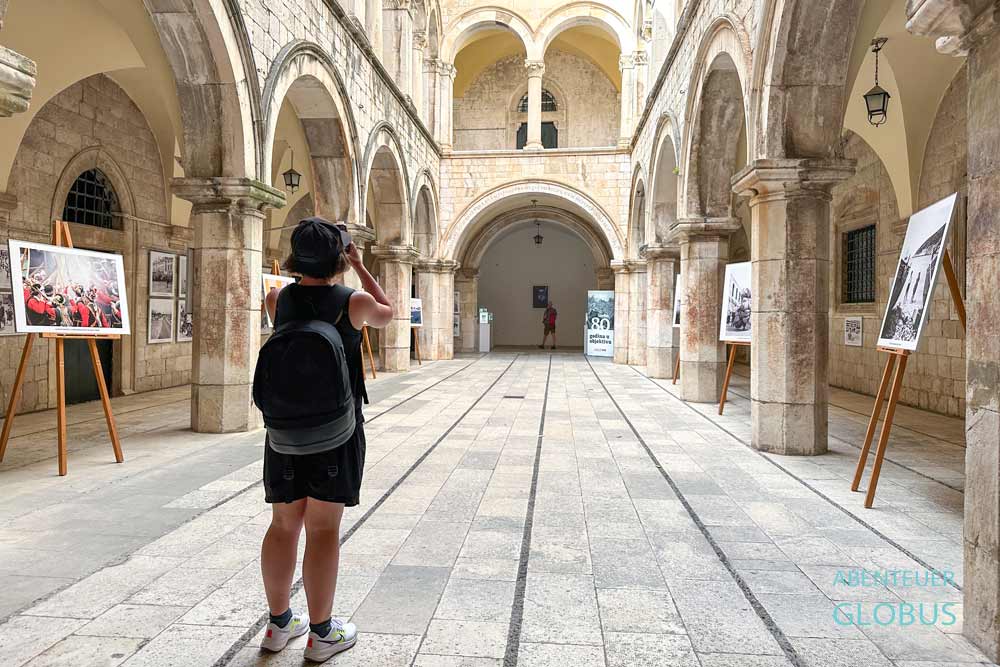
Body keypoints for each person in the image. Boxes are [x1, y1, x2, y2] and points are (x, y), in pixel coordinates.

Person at [258, 217, 393, 663]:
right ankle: (321, 634)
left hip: (283, 434)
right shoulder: (353, 302)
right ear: (339, 255)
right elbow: (387, 311)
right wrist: (359, 264)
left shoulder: (277, 299)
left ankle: (279, 625)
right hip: (336, 434)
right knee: (322, 529)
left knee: (283, 526)